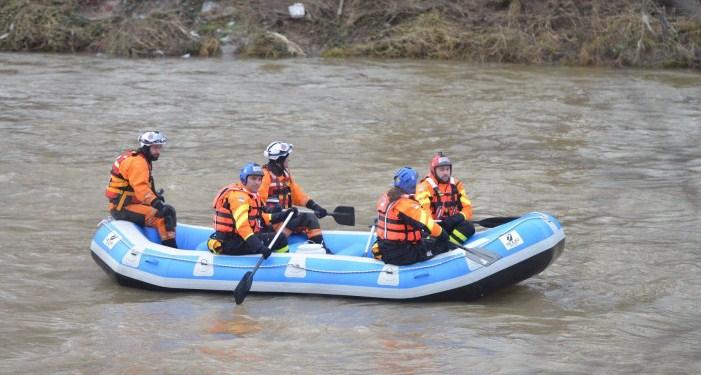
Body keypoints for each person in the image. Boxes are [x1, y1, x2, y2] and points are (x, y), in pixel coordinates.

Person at [105, 131, 177, 248]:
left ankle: (168, 243)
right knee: (163, 216)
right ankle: (171, 250)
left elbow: (138, 186)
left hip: (127, 203)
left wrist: (155, 197)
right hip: (122, 209)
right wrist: (158, 205)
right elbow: (141, 189)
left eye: (160, 147)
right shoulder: (138, 163)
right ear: (146, 147)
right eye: (155, 148)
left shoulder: (138, 158)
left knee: (169, 210)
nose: (158, 151)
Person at [207, 162, 295, 258]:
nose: (257, 182)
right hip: (231, 243)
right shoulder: (239, 198)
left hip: (239, 239)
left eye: (259, 179)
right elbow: (242, 226)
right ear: (244, 179)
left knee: (270, 231)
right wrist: (259, 247)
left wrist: (285, 214)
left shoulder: (251, 194)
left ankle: (281, 257)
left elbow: (260, 217)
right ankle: (284, 264)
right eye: (253, 179)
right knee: (280, 238)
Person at [258, 141, 331, 251]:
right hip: (270, 224)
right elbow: (258, 204)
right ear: (280, 160)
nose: (289, 159)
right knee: (304, 218)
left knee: (309, 218)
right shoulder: (264, 177)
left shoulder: (285, 174)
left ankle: (322, 249)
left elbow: (297, 194)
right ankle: (322, 250)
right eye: (287, 157)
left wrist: (315, 206)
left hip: (285, 219)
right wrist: (275, 213)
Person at [372, 167, 451, 266]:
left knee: (424, 237)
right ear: (411, 185)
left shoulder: (386, 196)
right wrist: (443, 235)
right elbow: (429, 225)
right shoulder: (407, 205)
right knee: (442, 244)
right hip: (402, 254)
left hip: (384, 246)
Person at [416, 152, 476, 245]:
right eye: (441, 170)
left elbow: (468, 210)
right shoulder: (424, 187)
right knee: (427, 237)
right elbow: (425, 214)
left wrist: (456, 219)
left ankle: (450, 245)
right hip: (433, 227)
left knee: (469, 227)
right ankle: (442, 245)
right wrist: (437, 227)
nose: (445, 173)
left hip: (451, 224)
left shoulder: (457, 185)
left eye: (447, 169)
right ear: (434, 171)